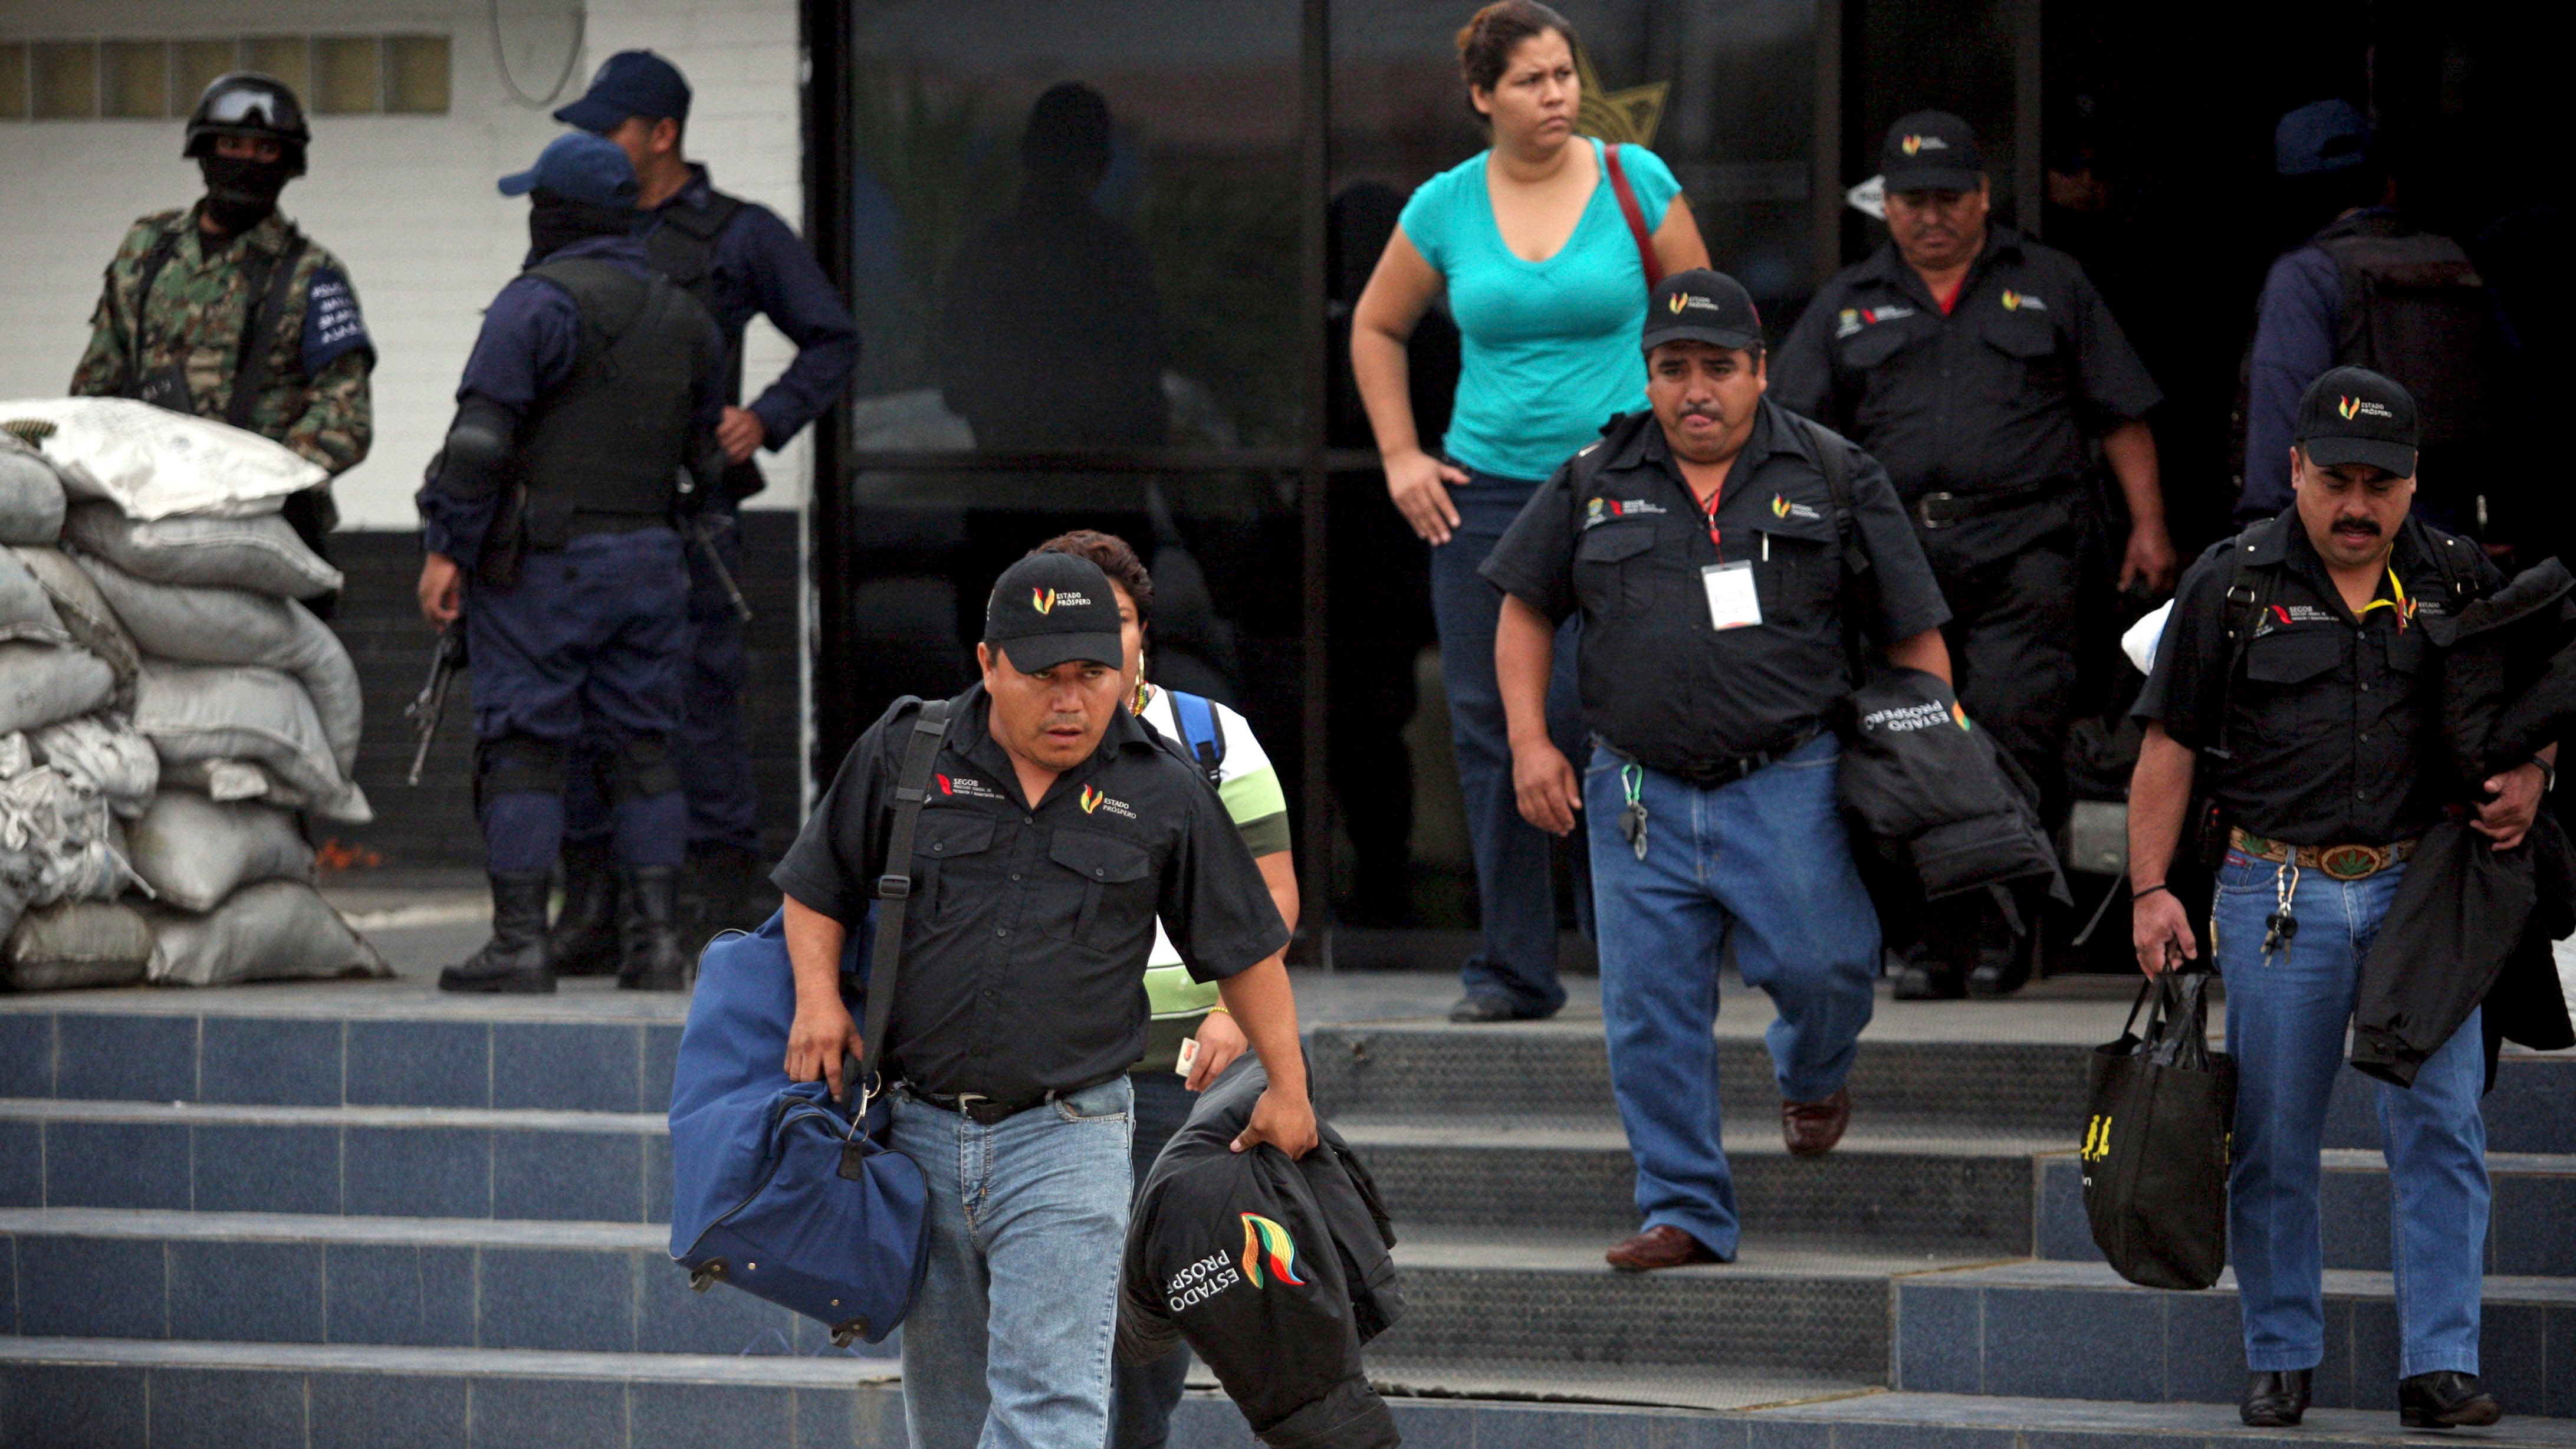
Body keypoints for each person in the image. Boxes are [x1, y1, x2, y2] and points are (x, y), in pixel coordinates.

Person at [771, 550, 1317, 1449]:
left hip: (1070, 1138)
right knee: (948, 1418)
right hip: (916, 1132)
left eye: (1093, 675)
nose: (1071, 700)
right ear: (989, 665)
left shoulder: (1164, 787)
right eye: (1045, 677)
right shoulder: (910, 751)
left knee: (1054, 1410)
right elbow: (817, 882)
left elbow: (1248, 948)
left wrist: (1288, 1089)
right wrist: (817, 1000)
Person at [1481, 270, 1953, 1271]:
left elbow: (1913, 633)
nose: (1696, 388)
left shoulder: (1831, 471)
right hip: (1636, 790)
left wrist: (1933, 762)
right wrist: (1530, 741)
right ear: (1647, 373)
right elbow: (1523, 610)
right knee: (1648, 1015)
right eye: (1673, 367)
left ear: (1757, 371)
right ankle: (1682, 1209)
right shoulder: (1591, 477)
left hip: (1790, 777)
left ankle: (1813, 1070)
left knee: (1827, 966)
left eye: (1717, 367)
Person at [2129, 366, 2532, 1431]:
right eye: (2335, 479)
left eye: (2380, 483)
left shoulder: (2454, 577)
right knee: (2269, 1135)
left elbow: (2531, 698)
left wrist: (2531, 773)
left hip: (2422, 892)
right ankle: (2278, 1353)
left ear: (2410, 483)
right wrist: (2148, 891)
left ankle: (2439, 1365)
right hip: (2276, 891)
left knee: (2441, 1128)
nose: (2356, 505)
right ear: (2294, 468)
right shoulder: (2232, 583)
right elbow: (2165, 744)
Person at [1352, 0, 1710, 1023]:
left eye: (1562, 74)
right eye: (1530, 80)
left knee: (1609, 714)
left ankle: (1630, 958)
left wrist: (1698, 459)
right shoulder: (1444, 205)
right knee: (1485, 725)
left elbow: (1707, 320)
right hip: (1487, 494)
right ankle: (1513, 965)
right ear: (1481, 96)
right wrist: (1399, 457)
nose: (1555, 95)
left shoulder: (1632, 180)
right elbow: (1376, 326)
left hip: (1627, 484)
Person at [1773, 109, 2172, 999]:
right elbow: (1791, 433)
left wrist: (2149, 528)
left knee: (2009, 732)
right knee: (1906, 745)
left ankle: (2001, 932)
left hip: (2029, 545)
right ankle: (1925, 939)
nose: (1931, 216)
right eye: (1912, 201)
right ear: (1888, 207)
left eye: (1950, 197)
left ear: (1983, 196)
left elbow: (2121, 413)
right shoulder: (1848, 303)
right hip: (1896, 557)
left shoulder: (2051, 283)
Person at [542, 50, 863, 969]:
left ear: (662, 135)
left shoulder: (738, 234)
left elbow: (833, 338)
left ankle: (725, 924)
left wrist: (764, 419)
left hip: (692, 517)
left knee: (700, 716)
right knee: (580, 718)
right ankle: (597, 913)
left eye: (608, 128)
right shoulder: (582, 224)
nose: (592, 144)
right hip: (590, 514)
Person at [415, 131, 727, 995]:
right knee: (645, 750)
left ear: (554, 214)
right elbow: (711, 465)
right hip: (653, 562)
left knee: (522, 745)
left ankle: (522, 945)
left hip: (544, 570)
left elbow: (478, 447)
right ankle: (658, 947)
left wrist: (447, 548)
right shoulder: (684, 314)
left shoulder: (536, 305)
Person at [1029, 530, 1298, 1449]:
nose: (1101, 644)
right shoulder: (1000, 738)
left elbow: (1273, 894)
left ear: (1145, 632)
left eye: (1121, 622)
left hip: (1171, 1081)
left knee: (1148, 1321)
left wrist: (1233, 1015)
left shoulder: (1210, 737)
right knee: (1042, 1315)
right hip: (1040, 1076)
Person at [70, 72, 373, 606]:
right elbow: (96, 389)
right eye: (232, 145)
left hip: (259, 526)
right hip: (145, 512)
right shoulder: (147, 249)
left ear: (287, 163)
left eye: (264, 150)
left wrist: (251, 485)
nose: (246, 161)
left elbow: (345, 420)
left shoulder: (312, 273)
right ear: (205, 150)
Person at [2233, 101, 2497, 542]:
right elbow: (2518, 401)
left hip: (2351, 551)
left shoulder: (2305, 276)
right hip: (2460, 547)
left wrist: (2263, 546)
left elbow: (2281, 435)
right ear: (2386, 184)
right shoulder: (2455, 261)